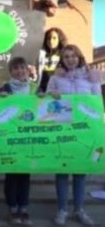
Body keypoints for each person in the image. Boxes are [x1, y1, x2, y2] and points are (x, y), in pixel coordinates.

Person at [47, 44, 101, 226]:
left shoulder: (91, 78)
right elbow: (45, 103)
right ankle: (62, 210)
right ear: (62, 59)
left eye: (74, 56)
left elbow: (97, 104)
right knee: (61, 172)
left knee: (80, 173)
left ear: (80, 58)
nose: (71, 59)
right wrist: (51, 95)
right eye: (67, 56)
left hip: (84, 132)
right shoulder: (55, 79)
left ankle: (79, 209)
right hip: (62, 131)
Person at [0, 57, 38, 225]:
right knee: (11, 175)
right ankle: (12, 208)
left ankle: (24, 208)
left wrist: (44, 96)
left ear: (27, 70)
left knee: (25, 175)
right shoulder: (5, 88)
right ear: (11, 71)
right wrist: (0, 96)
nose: (20, 71)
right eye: (16, 69)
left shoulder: (34, 88)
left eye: (22, 68)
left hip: (29, 138)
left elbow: (44, 104)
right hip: (10, 139)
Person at [38, 27, 67, 92]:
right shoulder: (41, 54)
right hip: (41, 90)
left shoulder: (64, 55)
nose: (51, 41)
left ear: (59, 39)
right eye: (49, 38)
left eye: (54, 38)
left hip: (58, 91)